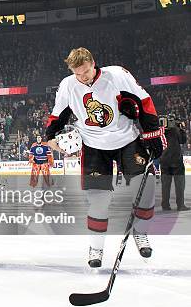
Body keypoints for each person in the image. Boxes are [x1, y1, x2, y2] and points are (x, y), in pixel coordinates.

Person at [45, 48, 166, 268]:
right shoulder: (68, 85)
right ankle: (97, 247)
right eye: (77, 74)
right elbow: (58, 114)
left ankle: (140, 231)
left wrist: (153, 133)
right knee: (98, 201)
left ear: (93, 63)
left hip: (127, 139)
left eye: (86, 72)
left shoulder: (117, 75)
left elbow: (144, 101)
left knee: (146, 188)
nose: (83, 77)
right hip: (93, 146)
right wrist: (49, 136)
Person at [159, 116, 188, 211]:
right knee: (179, 184)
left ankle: (165, 205)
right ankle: (180, 205)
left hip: (164, 161)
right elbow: (183, 140)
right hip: (176, 160)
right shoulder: (176, 129)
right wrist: (181, 128)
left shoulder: (160, 132)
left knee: (165, 185)